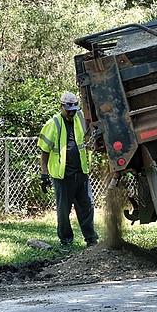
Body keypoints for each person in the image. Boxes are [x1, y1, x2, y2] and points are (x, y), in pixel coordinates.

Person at [38, 91, 98, 247]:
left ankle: (91, 239)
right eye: (69, 109)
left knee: (87, 207)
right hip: (63, 176)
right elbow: (44, 152)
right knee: (63, 211)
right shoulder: (54, 124)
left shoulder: (79, 119)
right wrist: (44, 175)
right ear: (61, 106)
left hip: (81, 173)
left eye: (74, 109)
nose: (72, 112)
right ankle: (66, 241)